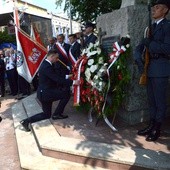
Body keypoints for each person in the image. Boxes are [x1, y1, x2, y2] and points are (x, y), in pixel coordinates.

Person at [134, 0, 170, 142]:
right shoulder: (150, 28)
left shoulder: (167, 27)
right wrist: (138, 57)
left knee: (160, 102)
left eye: (158, 7)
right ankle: (151, 124)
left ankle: (157, 128)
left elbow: (167, 49)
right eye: (153, 7)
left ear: (166, 10)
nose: (154, 10)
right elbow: (140, 46)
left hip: (161, 68)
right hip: (149, 68)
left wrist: (150, 43)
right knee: (151, 101)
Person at [20, 49, 79, 132]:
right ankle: (57, 114)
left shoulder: (47, 64)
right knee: (66, 94)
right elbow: (56, 79)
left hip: (45, 92)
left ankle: (26, 121)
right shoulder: (47, 66)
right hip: (46, 93)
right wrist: (73, 82)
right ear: (52, 56)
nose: (57, 59)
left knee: (46, 114)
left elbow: (56, 75)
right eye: (57, 57)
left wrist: (67, 76)